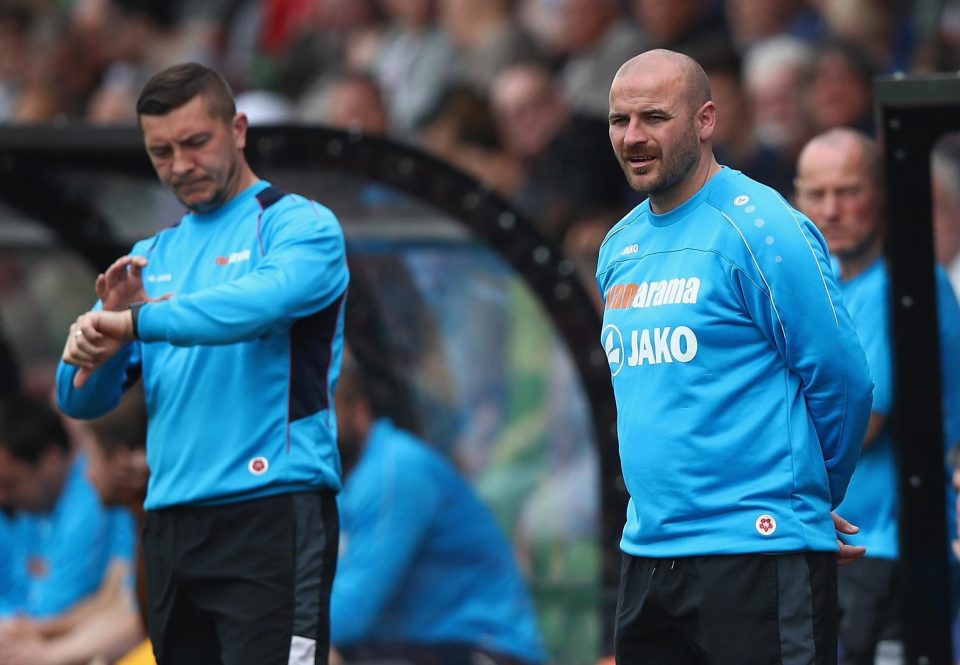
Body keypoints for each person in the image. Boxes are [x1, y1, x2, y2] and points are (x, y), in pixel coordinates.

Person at [56, 62, 349, 665]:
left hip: (271, 510)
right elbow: (79, 398)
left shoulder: (300, 226)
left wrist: (135, 323)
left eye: (195, 142)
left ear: (238, 129)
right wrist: (97, 348)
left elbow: (255, 305)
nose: (180, 165)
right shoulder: (150, 256)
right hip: (170, 522)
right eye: (160, 151)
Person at [599, 49, 873, 663]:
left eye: (653, 118)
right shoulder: (619, 244)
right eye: (620, 121)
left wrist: (807, 494)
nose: (633, 137)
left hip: (755, 551)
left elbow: (843, 380)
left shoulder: (763, 226)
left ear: (705, 120)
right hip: (647, 554)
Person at [794, 127, 960, 665]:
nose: (832, 209)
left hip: (893, 552)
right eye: (817, 194)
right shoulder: (820, 293)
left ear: (882, 196)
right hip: (832, 549)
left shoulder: (910, 286)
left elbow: (854, 427)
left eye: (849, 191)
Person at [330, 356, 546, 665]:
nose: (315, 431)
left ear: (361, 411)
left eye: (328, 415)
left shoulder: (396, 472)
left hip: (481, 648)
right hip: (419, 648)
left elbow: (350, 613)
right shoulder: (349, 478)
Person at [0, 387, 150, 665]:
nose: (87, 473)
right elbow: (114, 598)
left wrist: (48, 654)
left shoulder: (96, 506)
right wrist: (39, 632)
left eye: (92, 458)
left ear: (123, 463)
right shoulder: (131, 516)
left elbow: (139, 618)